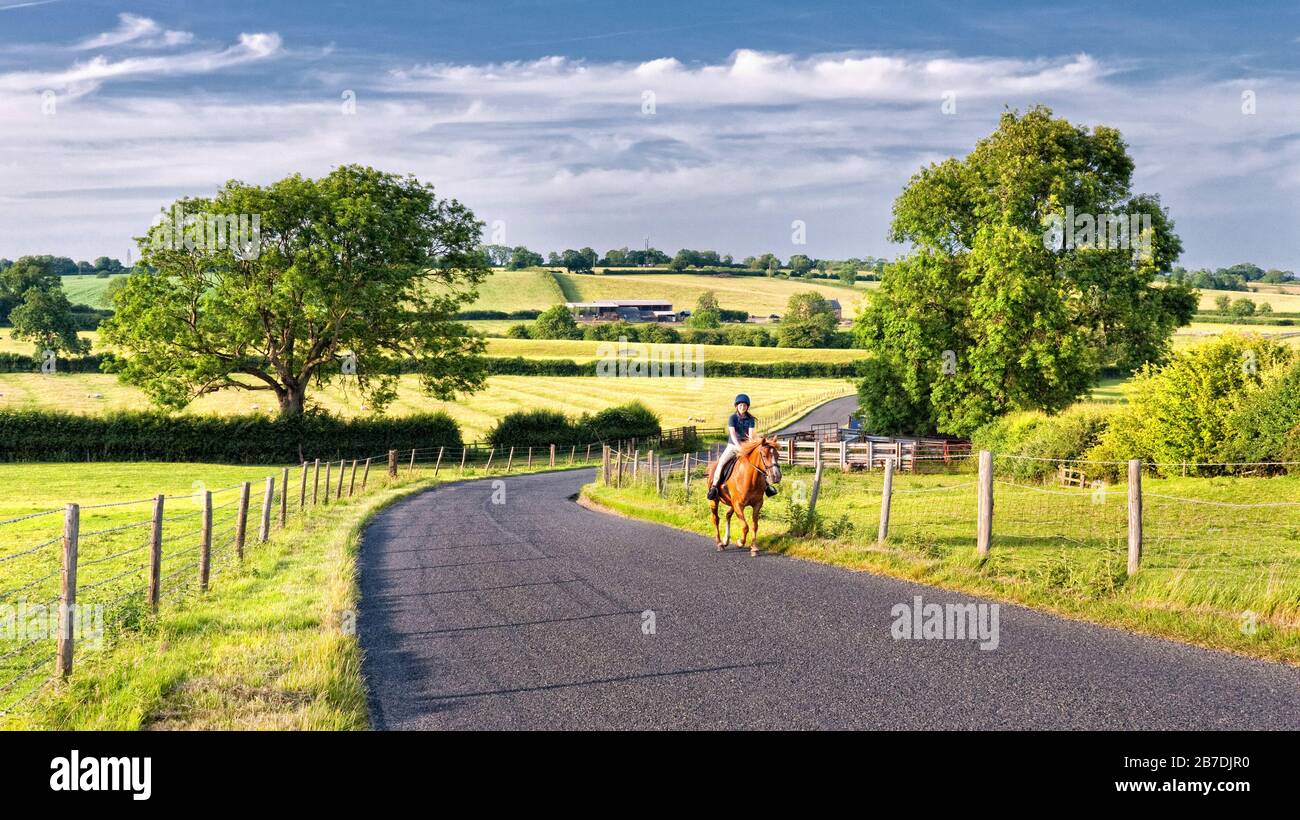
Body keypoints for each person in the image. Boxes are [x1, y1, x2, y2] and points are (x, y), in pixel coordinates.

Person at [707, 394, 777, 500]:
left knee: (758, 463)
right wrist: (738, 447)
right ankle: (714, 487)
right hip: (732, 446)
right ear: (737, 406)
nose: (742, 407)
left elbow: (750, 434)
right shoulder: (733, 418)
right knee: (721, 463)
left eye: (744, 405)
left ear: (747, 407)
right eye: (740, 405)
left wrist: (751, 445)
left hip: (746, 446)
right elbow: (732, 434)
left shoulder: (750, 419)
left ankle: (766, 486)